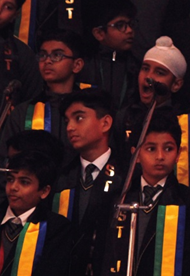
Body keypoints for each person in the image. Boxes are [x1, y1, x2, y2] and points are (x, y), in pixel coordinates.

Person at [100, 114, 190, 276]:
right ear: (136, 154)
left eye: (168, 149)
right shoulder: (118, 199)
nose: (160, 156)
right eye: (151, 149)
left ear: (178, 154)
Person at [113, 36, 190, 188]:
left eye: (159, 72)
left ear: (176, 84)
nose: (148, 77)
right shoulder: (126, 116)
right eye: (145, 69)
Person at [0, 151, 73, 276]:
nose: (13, 187)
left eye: (24, 182)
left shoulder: (56, 229)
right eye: (10, 180)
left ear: (44, 191)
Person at [54, 89, 123, 275]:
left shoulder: (125, 177)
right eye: (67, 121)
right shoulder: (61, 176)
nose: (70, 127)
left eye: (79, 118)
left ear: (105, 123)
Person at [2, 30, 86, 166]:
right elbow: (6, 161)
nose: (47, 61)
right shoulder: (23, 112)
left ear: (77, 65)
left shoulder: (90, 109)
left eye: (57, 55)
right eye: (43, 55)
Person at [80, 0, 140, 110]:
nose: (129, 30)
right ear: (99, 33)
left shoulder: (136, 67)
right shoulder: (84, 65)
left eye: (131, 24)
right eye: (120, 25)